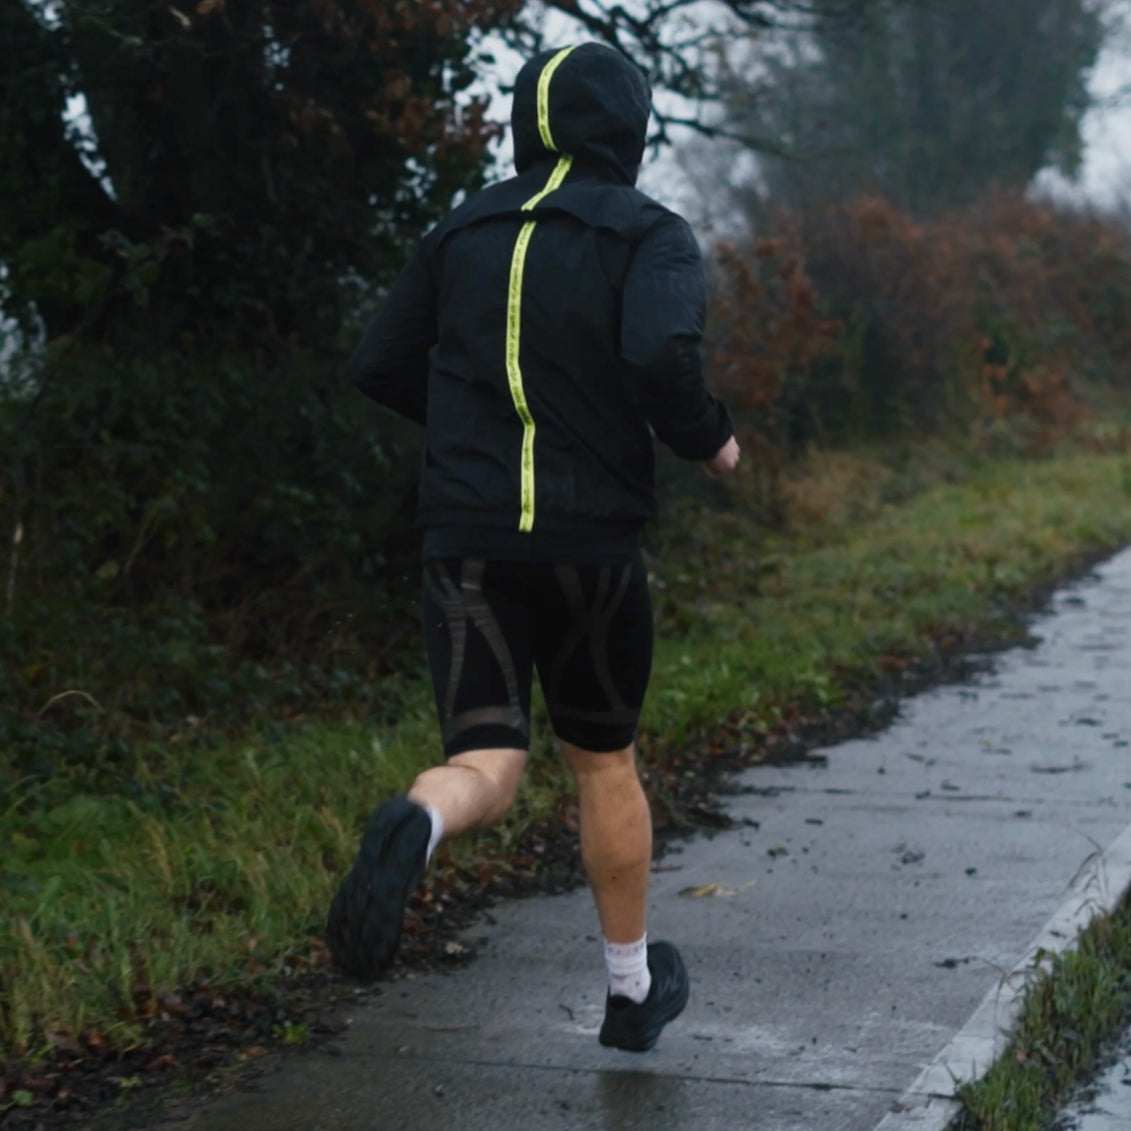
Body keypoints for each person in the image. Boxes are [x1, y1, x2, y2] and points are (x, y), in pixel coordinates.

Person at [328, 41, 740, 1053]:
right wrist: (710, 437)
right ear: (631, 133)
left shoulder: (459, 231)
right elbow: (656, 353)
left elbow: (379, 363)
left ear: (523, 124)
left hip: (464, 540)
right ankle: (632, 991)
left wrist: (475, 430)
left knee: (486, 761)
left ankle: (415, 826)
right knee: (603, 765)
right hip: (588, 545)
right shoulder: (651, 233)